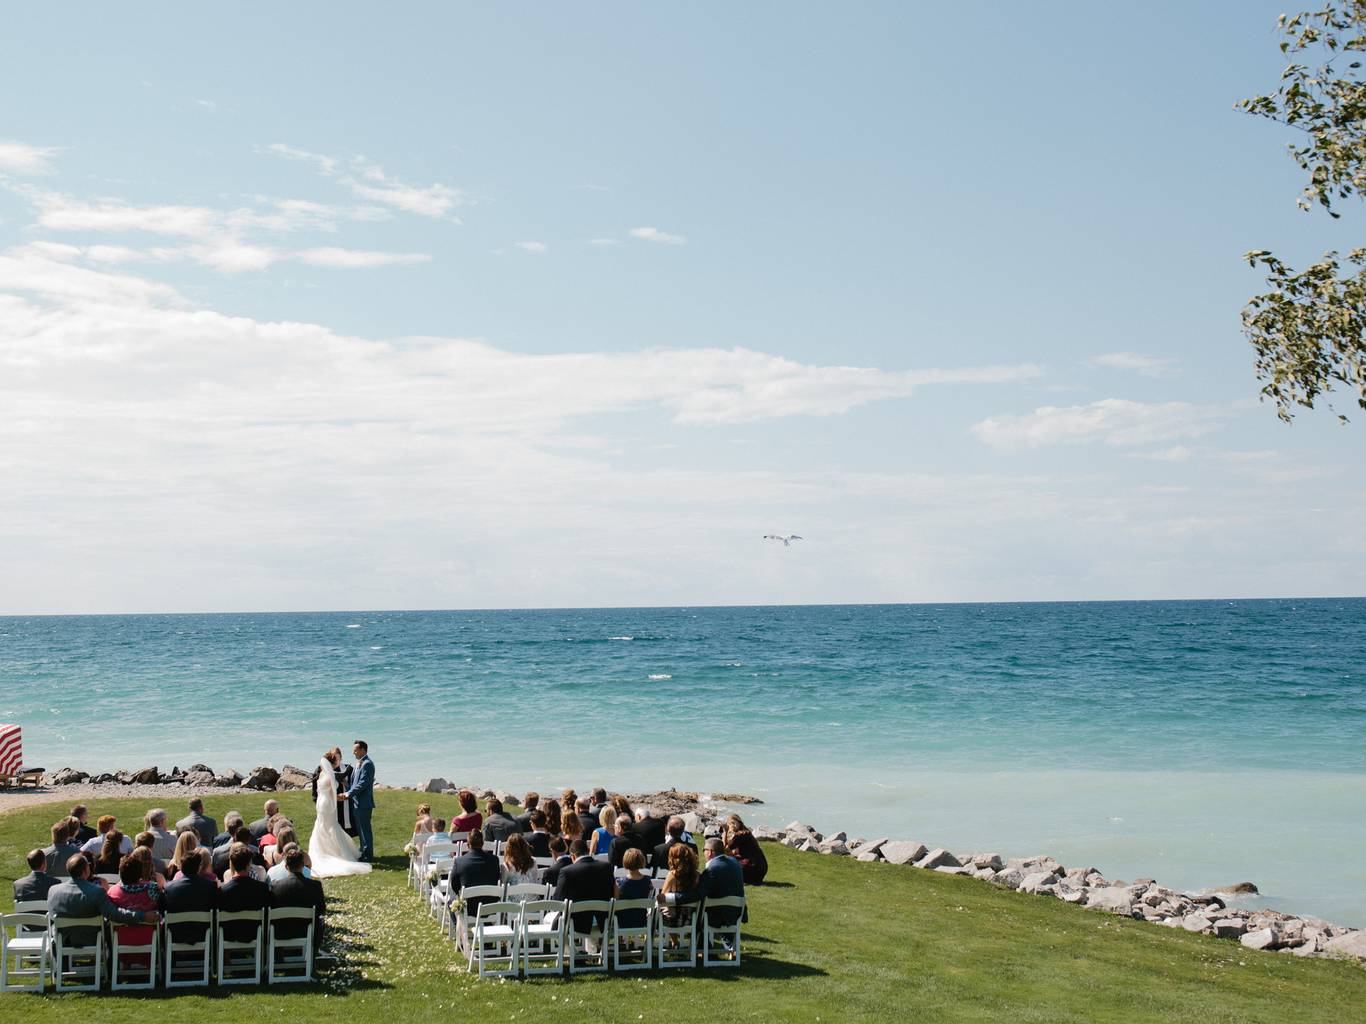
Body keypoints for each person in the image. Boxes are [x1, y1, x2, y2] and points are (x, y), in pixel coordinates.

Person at [48, 854, 158, 948]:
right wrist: (142, 916)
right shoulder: (96, 892)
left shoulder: (53, 891)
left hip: (63, 941)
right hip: (93, 940)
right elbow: (114, 914)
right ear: (86, 870)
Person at [310, 751, 371, 877]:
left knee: (322, 826)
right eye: (337, 760)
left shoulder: (322, 773)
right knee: (331, 826)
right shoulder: (330, 774)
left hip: (321, 803)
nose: (339, 762)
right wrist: (341, 797)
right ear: (333, 762)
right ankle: (335, 852)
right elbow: (332, 792)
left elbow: (320, 790)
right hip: (327, 803)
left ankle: (324, 850)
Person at [552, 839, 614, 944]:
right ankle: (594, 951)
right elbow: (611, 892)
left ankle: (573, 953)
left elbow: (558, 899)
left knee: (554, 921)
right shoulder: (606, 867)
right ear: (587, 851)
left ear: (573, 856)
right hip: (602, 920)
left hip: (576, 922)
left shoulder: (566, 871)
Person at [270, 844, 326, 951]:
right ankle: (312, 953)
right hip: (306, 932)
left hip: (281, 932)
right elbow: (321, 909)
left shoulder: (275, 886)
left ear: (286, 867)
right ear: (303, 865)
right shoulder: (315, 886)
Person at [107, 854, 161, 966]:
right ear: (140, 873)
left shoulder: (112, 892)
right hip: (150, 941)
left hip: (121, 942)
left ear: (120, 873)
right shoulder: (153, 888)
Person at [218, 843, 270, 943]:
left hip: (230, 935)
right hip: (255, 934)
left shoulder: (223, 891)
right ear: (249, 865)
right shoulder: (262, 888)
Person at [337, 739, 375, 863]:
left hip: (364, 803)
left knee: (365, 830)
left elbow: (362, 784)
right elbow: (354, 784)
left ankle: (368, 856)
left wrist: (347, 794)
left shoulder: (367, 764)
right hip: (356, 802)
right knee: (360, 830)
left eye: (355, 750)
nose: (353, 752)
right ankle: (363, 852)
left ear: (363, 750)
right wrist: (346, 785)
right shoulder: (358, 763)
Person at [447, 830, 500, 917]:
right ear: (482, 843)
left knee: (451, 901)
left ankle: (457, 927)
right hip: (491, 906)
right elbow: (496, 878)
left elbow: (454, 885)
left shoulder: (459, 861)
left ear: (468, 845)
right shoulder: (494, 860)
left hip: (468, 908)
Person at [697, 837, 746, 927]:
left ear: (710, 852)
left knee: (695, 910)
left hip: (718, 916)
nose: (703, 852)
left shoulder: (712, 869)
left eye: (704, 849)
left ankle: (701, 940)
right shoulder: (734, 862)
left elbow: (700, 893)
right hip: (736, 912)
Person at [314, 745, 357, 837]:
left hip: (336, 802)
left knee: (330, 826)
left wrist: (347, 786)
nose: (337, 761)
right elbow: (316, 789)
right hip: (329, 802)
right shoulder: (324, 772)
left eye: (338, 758)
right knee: (329, 826)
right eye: (335, 759)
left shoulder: (327, 772)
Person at [657, 842, 701, 929]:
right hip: (692, 918)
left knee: (660, 909)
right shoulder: (697, 875)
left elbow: (662, 897)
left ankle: (674, 941)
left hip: (674, 919)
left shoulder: (673, 875)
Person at [723, 814, 769, 885]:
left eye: (733, 823)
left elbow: (724, 850)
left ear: (739, 823)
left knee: (725, 859)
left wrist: (725, 832)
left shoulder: (741, 834)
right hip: (760, 870)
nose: (732, 825)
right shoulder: (746, 833)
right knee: (730, 857)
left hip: (754, 870)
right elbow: (730, 852)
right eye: (729, 823)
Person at [614, 848, 652, 928]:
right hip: (642, 920)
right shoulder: (648, 882)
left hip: (623, 921)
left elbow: (616, 903)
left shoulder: (619, 882)